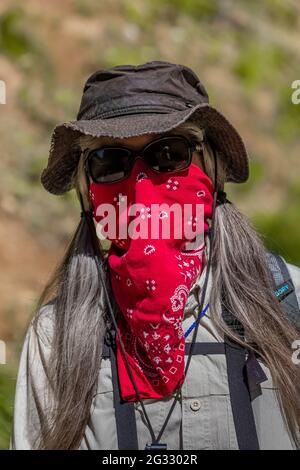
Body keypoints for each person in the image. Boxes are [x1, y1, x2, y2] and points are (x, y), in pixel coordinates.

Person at [10, 61, 300, 450]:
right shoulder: (56, 339)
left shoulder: (290, 305)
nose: (142, 186)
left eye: (168, 154)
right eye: (110, 162)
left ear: (209, 166)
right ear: (88, 189)